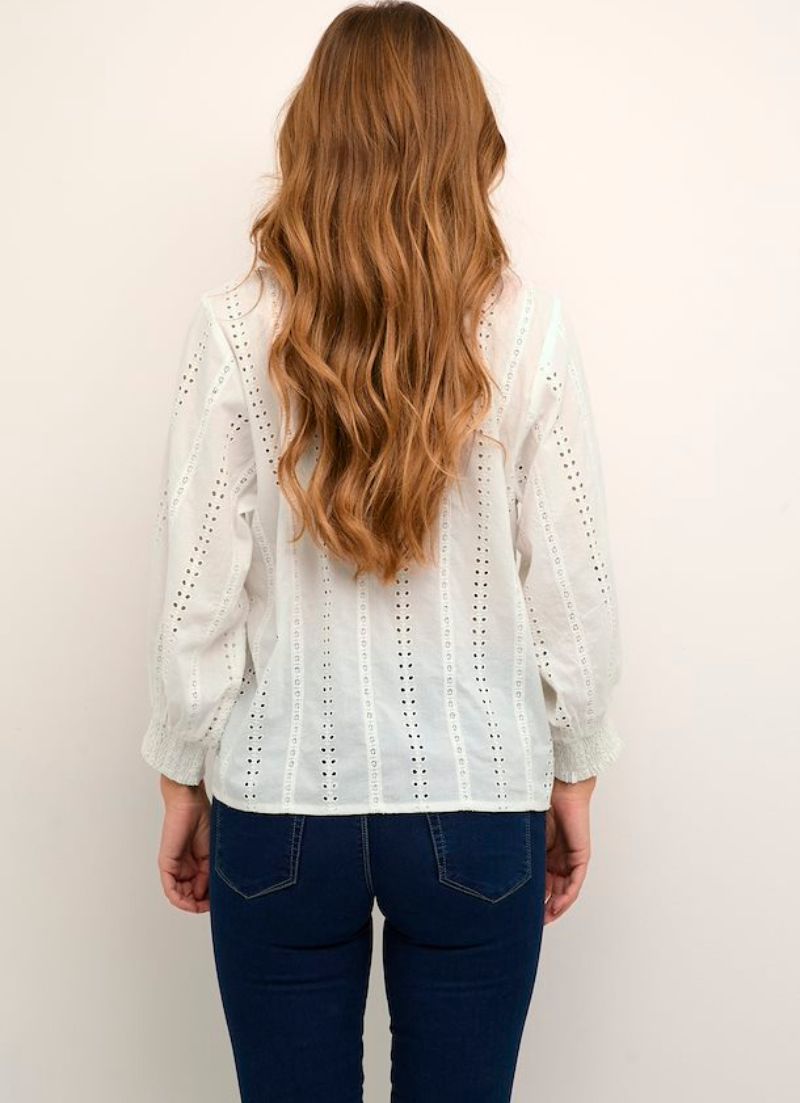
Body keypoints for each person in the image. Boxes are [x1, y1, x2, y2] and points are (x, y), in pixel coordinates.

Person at [140, 3, 623, 1100]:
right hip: (479, 803)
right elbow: (576, 590)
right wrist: (576, 767)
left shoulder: (234, 330)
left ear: (311, 139)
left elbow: (196, 596)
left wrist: (180, 775)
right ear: (467, 144)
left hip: (277, 810)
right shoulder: (528, 331)